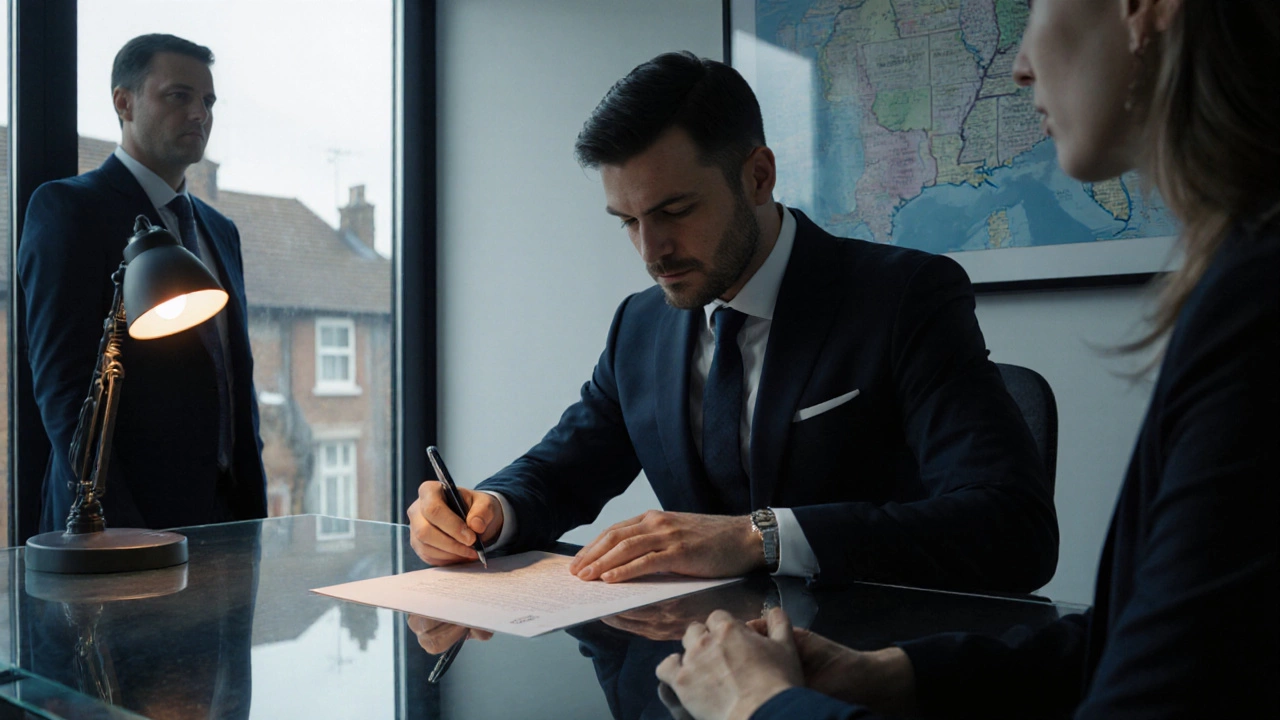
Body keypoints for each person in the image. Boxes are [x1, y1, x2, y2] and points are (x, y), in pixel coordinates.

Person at [655, 0, 1280, 717]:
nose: (1017, 65)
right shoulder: (1242, 276)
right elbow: (1146, 638)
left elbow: (1017, 538)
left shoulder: (1256, 305)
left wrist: (760, 705)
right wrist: (895, 674)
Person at [409, 51, 1058, 593]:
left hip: (865, 667)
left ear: (758, 176)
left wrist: (760, 537)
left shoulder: (904, 297)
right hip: (691, 673)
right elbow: (561, 472)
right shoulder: (640, 326)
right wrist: (489, 511)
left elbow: (1011, 531)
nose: (650, 249)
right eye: (629, 221)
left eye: (675, 210)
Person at [19, 34, 268, 532]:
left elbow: (232, 383)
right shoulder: (68, 210)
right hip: (122, 528)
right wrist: (122, 534)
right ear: (123, 102)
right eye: (179, 95)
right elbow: (65, 393)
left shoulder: (220, 230)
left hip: (229, 524)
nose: (200, 113)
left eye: (208, 100)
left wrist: (252, 515)